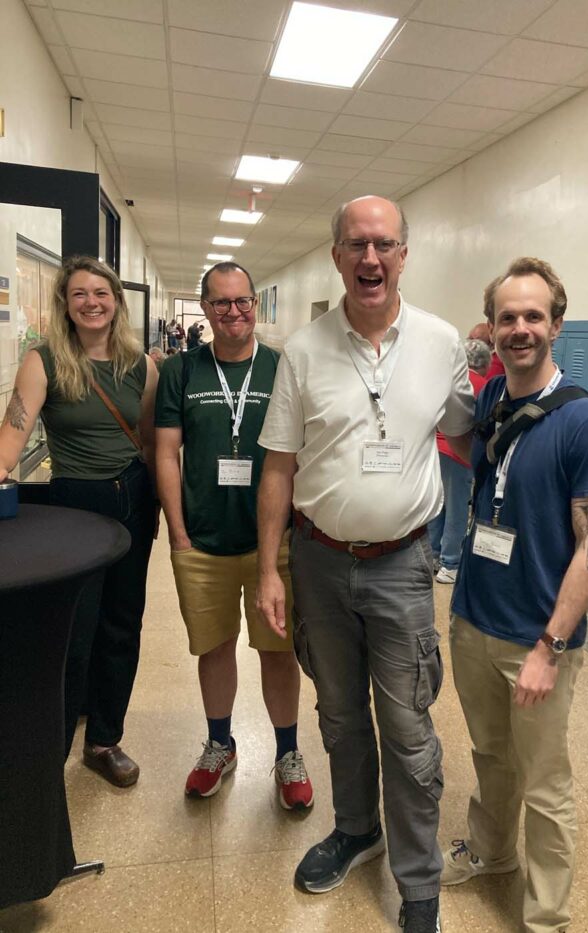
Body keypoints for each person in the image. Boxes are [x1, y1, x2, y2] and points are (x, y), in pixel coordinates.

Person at [256, 196, 474, 933]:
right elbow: (278, 469)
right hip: (317, 560)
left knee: (408, 730)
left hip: (403, 565)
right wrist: (269, 568)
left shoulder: (442, 343)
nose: (371, 258)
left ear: (404, 255)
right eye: (357, 244)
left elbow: (468, 434)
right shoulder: (303, 350)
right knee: (342, 716)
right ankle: (356, 829)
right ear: (337, 256)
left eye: (384, 244)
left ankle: (419, 886)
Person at [443, 257, 588, 933]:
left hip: (537, 639)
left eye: (533, 316)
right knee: (490, 754)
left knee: (545, 783)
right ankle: (491, 852)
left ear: (557, 325)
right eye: (507, 317)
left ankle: (547, 916)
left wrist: (551, 646)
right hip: (474, 619)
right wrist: (471, 348)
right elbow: (465, 446)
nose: (520, 328)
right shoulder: (494, 398)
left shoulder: (587, 422)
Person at [155, 262, 313, 807]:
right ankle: (220, 744)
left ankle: (288, 753)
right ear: (204, 308)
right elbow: (166, 453)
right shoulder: (181, 370)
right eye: (220, 303)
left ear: (255, 303)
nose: (233, 312)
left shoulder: (281, 367)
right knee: (214, 647)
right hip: (201, 541)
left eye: (242, 300)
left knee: (278, 650)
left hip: (274, 544)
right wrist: (177, 534)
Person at [0, 255, 158, 785]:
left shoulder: (141, 364)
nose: (92, 303)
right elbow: (10, 440)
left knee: (122, 620)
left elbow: (155, 440)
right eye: (79, 295)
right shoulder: (43, 362)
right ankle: (55, 741)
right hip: (75, 506)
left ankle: (104, 739)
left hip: (135, 496)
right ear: (65, 305)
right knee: (76, 627)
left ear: (117, 301)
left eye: (101, 293)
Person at [428, 338, 490, 583]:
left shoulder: (450, 381)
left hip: (437, 449)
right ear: (484, 364)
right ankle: (450, 563)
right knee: (457, 509)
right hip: (460, 454)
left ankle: (433, 554)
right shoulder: (484, 386)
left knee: (439, 506)